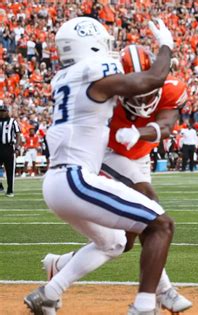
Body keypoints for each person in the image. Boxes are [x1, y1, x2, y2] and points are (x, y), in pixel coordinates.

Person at [24, 16, 176, 315]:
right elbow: (152, 79)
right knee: (160, 224)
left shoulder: (69, 78)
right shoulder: (94, 75)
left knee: (115, 243)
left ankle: (49, 292)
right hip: (75, 180)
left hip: (58, 183)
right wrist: (166, 46)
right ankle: (144, 307)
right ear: (91, 43)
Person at [0, 104, 21, 197]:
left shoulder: (12, 121)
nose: (2, 113)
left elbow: (18, 135)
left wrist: (17, 147)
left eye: (4, 111)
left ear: (7, 112)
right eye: (1, 112)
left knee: (10, 170)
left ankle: (10, 190)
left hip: (8, 147)